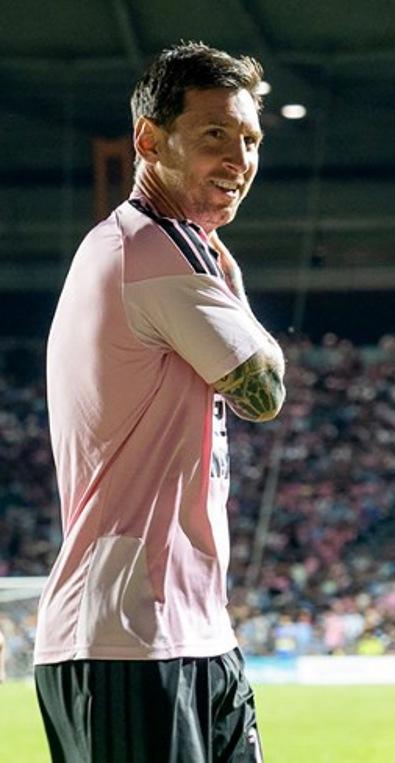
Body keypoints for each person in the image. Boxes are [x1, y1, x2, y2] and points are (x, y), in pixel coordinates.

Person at [33, 42, 284, 762]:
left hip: (190, 631)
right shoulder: (150, 249)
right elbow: (263, 391)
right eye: (215, 135)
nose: (240, 158)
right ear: (149, 139)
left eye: (250, 139)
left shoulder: (147, 244)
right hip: (127, 639)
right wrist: (237, 301)